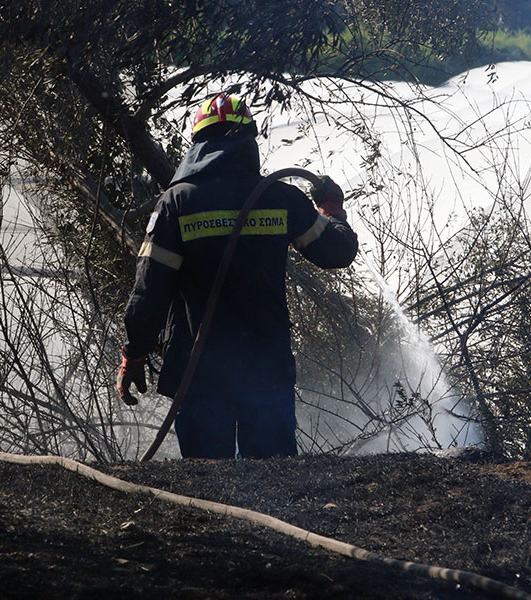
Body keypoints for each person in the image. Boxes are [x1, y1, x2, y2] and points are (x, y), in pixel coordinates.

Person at [117, 93, 358, 459]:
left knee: (207, 482)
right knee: (276, 478)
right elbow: (338, 251)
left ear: (198, 143)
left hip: (199, 373)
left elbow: (150, 290)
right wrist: (332, 209)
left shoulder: (177, 203)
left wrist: (133, 355)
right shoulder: (280, 198)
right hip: (265, 369)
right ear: (248, 142)